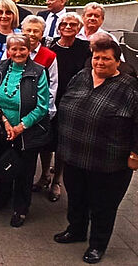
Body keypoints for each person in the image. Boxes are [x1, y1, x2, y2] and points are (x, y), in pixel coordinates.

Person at [54, 37, 138, 264]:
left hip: (109, 162)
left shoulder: (129, 88)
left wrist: (136, 154)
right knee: (76, 197)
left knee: (103, 206)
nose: (99, 62)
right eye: (96, 57)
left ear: (117, 61)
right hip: (74, 154)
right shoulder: (81, 77)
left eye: (106, 58)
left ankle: (97, 245)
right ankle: (76, 230)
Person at [0, 33, 51, 228]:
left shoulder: (39, 71)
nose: (17, 52)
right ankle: (2, 197)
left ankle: (21, 208)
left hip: (27, 131)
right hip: (2, 127)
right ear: (8, 50)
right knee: (4, 164)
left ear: (29, 49)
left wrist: (20, 127)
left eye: (22, 49)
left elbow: (42, 106)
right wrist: (4, 121)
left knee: (25, 172)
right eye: (13, 49)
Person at [46, 12, 91, 202]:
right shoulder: (50, 45)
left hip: (72, 100)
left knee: (62, 142)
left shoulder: (85, 48)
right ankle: (43, 175)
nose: (67, 27)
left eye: (72, 24)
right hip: (50, 96)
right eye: (64, 24)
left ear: (79, 28)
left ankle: (57, 179)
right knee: (47, 140)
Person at [22, 16, 60, 198]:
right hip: (16, 110)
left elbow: (53, 84)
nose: (31, 34)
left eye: (35, 31)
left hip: (38, 110)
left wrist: (48, 108)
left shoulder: (49, 55)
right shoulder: (14, 50)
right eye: (28, 30)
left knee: (35, 149)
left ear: (42, 33)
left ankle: (31, 185)